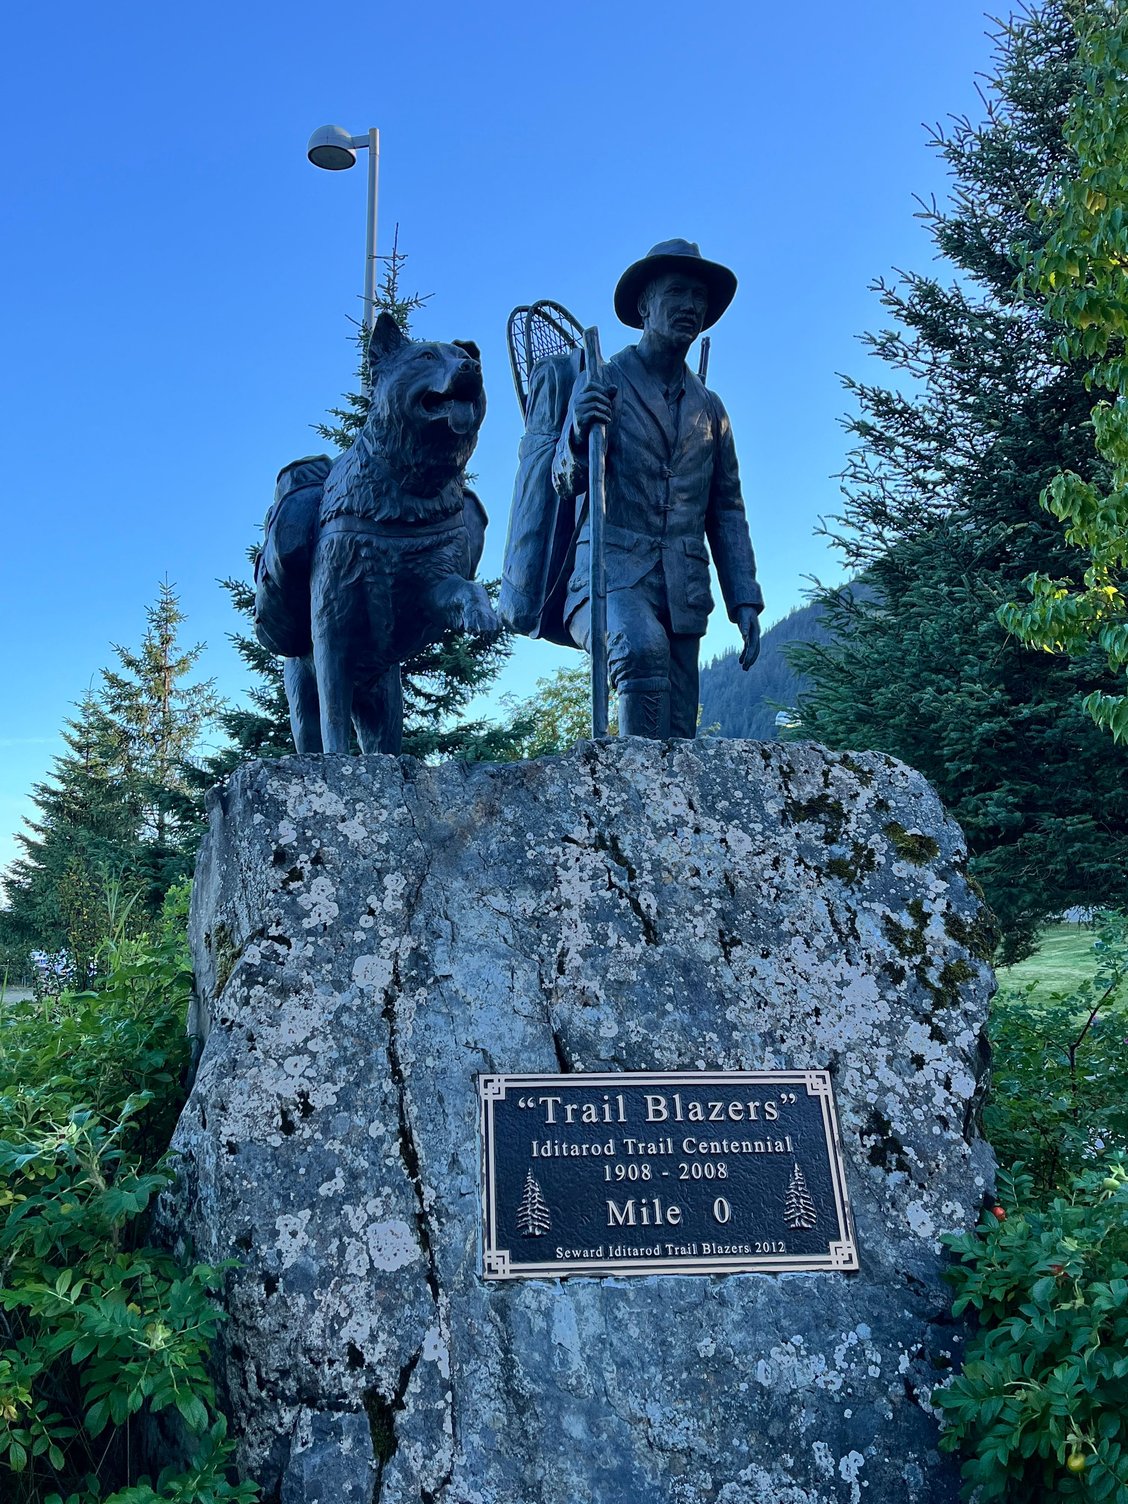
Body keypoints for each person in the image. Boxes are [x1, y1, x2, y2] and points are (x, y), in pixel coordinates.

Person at [536, 239, 763, 738]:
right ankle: (632, 804)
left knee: (679, 729)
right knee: (640, 652)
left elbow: (726, 509)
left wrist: (743, 599)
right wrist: (577, 433)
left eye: (699, 298)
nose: (690, 307)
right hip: (610, 574)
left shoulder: (711, 409)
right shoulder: (604, 379)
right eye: (677, 292)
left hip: (683, 587)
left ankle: (675, 813)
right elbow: (565, 480)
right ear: (644, 305)